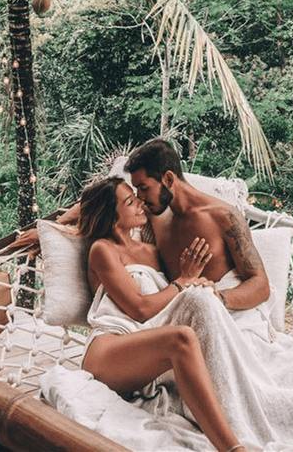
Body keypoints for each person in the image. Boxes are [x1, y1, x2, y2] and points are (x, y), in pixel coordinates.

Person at [78, 176, 250, 452]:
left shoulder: (152, 251)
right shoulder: (103, 249)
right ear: (111, 216)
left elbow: (171, 301)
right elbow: (140, 308)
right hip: (109, 350)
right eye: (129, 201)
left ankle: (243, 414)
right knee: (181, 339)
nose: (139, 203)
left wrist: (197, 283)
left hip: (147, 355)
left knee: (201, 299)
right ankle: (233, 449)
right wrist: (183, 280)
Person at [124, 138, 269, 311]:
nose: (139, 196)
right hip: (177, 312)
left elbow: (261, 285)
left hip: (223, 311)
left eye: (143, 188)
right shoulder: (155, 215)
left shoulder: (223, 216)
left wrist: (217, 298)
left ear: (168, 179)